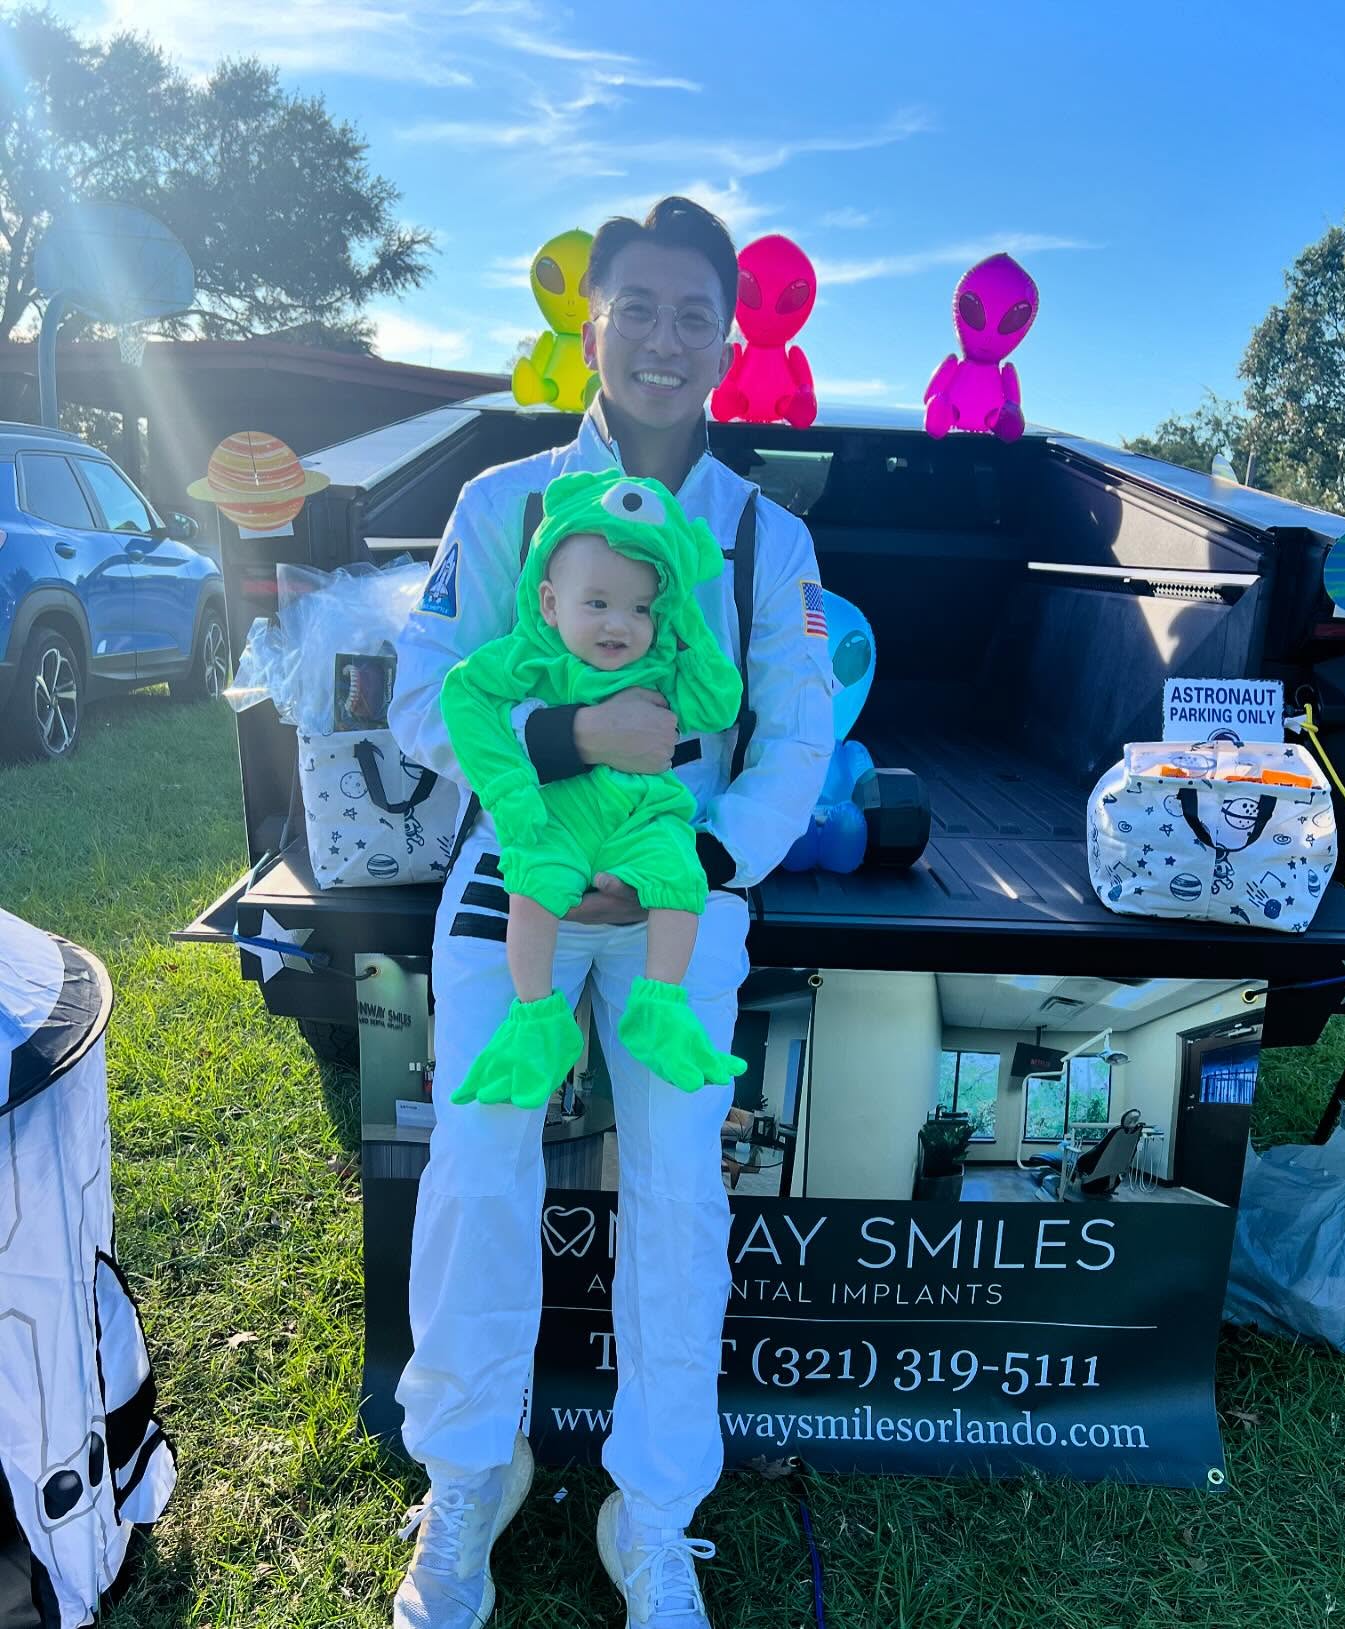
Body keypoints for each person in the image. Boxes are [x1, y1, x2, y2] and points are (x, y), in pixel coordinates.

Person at [388, 195, 833, 1629]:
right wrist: (564, 760)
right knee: (476, 1171)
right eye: (636, 306)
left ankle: (655, 1513)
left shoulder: (765, 538)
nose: (663, 337)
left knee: (679, 1195)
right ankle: (467, 1479)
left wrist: (704, 858)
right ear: (590, 323)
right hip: (515, 867)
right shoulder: (500, 505)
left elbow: (798, 739)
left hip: (673, 886)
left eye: (694, 313)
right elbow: (418, 701)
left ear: (728, 336)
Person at [439, 467, 748, 1107]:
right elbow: (459, 693)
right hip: (555, 817)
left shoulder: (661, 660)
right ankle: (536, 1019)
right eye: (598, 604)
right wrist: (509, 788)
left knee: (681, 880)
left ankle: (660, 1005)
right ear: (550, 604)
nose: (619, 626)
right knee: (528, 889)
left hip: (642, 817)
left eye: (641, 608)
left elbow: (719, 704)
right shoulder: (532, 657)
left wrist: (683, 614)